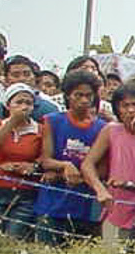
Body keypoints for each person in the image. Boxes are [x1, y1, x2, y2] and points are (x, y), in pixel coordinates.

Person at [35, 70, 108, 243]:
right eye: (78, 95)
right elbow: (46, 160)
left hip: (86, 206)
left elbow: (102, 171)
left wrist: (77, 176)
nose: (84, 100)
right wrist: (64, 166)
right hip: (52, 204)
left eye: (88, 95)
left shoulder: (103, 128)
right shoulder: (53, 121)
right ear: (67, 95)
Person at [81, 84, 135, 242]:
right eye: (125, 106)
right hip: (116, 207)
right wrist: (100, 189)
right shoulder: (112, 130)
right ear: (117, 109)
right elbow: (87, 164)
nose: (131, 110)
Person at [0, 81, 44, 239]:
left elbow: (44, 156)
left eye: (28, 103)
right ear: (8, 105)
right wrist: (13, 121)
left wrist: (32, 166)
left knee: (13, 238)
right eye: (19, 102)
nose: (24, 106)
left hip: (25, 193)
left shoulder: (40, 130)